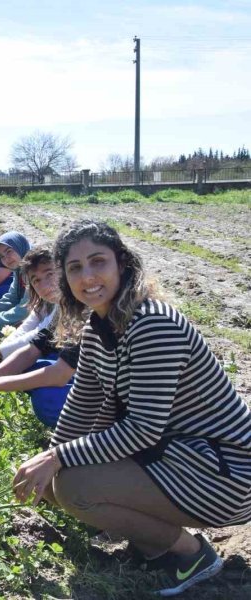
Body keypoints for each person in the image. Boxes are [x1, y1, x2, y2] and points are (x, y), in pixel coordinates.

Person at [13, 220, 251, 596]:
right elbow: (80, 408)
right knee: (59, 483)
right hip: (177, 456)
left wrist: (58, 460)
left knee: (75, 485)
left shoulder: (152, 325)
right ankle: (154, 545)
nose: (88, 276)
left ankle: (190, 555)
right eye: (75, 268)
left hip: (226, 471)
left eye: (98, 262)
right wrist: (47, 458)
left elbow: (143, 429)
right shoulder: (97, 329)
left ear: (122, 264)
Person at [0, 248, 75, 427]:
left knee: (47, 398)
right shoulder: (62, 308)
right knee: (29, 365)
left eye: (50, 274)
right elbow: (32, 350)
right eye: (36, 281)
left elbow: (59, 375)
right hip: (79, 372)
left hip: (116, 395)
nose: (44, 286)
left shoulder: (84, 308)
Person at [0, 231, 31, 333]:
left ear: (19, 247)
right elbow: (12, 297)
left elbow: (26, 308)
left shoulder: (35, 271)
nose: (6, 259)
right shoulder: (19, 269)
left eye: (9, 251)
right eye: (1, 256)